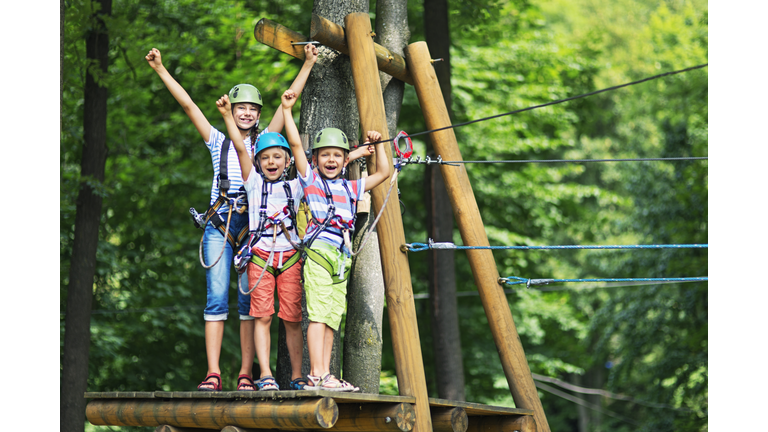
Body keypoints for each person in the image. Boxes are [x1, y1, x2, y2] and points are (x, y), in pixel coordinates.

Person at [145, 44, 318, 391]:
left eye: (253, 109)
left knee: (249, 303)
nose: (247, 113)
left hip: (255, 228)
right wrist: (161, 68)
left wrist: (309, 64)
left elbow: (288, 101)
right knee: (216, 296)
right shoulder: (218, 141)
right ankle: (213, 372)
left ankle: (245, 373)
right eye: (241, 108)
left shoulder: (266, 143)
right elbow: (189, 106)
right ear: (232, 110)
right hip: (221, 224)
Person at [281, 89, 390, 391]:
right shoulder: (311, 181)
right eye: (325, 155)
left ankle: (326, 373)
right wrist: (287, 111)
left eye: (337, 155)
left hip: (341, 259)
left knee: (332, 318)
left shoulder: (351, 188)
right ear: (315, 160)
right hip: (319, 253)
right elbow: (295, 144)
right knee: (317, 315)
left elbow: (383, 172)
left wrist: (379, 145)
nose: (331, 159)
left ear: (345, 161)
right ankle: (317, 373)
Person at [215, 94, 306, 391]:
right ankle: (265, 374)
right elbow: (240, 148)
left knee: (292, 318)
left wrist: (287, 111)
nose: (271, 162)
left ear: (287, 161)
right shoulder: (252, 183)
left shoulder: (297, 186)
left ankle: (296, 375)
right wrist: (227, 115)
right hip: (260, 257)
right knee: (262, 316)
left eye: (277, 157)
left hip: (289, 257)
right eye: (265, 158)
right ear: (257, 163)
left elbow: (297, 148)